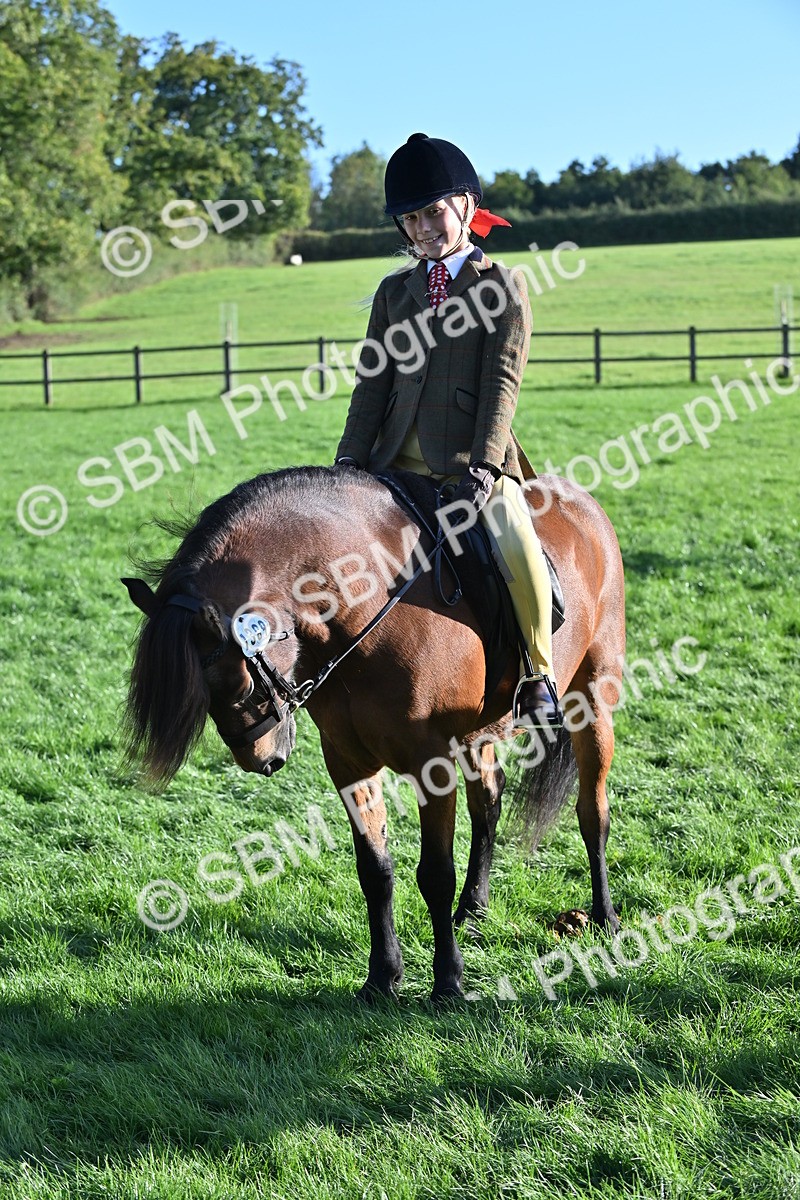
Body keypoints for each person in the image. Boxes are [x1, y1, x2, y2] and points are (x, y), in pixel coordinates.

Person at [335, 132, 561, 730]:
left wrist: (486, 467)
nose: (423, 229)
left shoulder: (501, 287)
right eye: (410, 219)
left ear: (464, 205)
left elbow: (501, 385)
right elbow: (372, 386)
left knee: (513, 539)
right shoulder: (393, 294)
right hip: (395, 458)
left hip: (470, 458)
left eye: (432, 212)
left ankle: (539, 674)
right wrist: (349, 461)